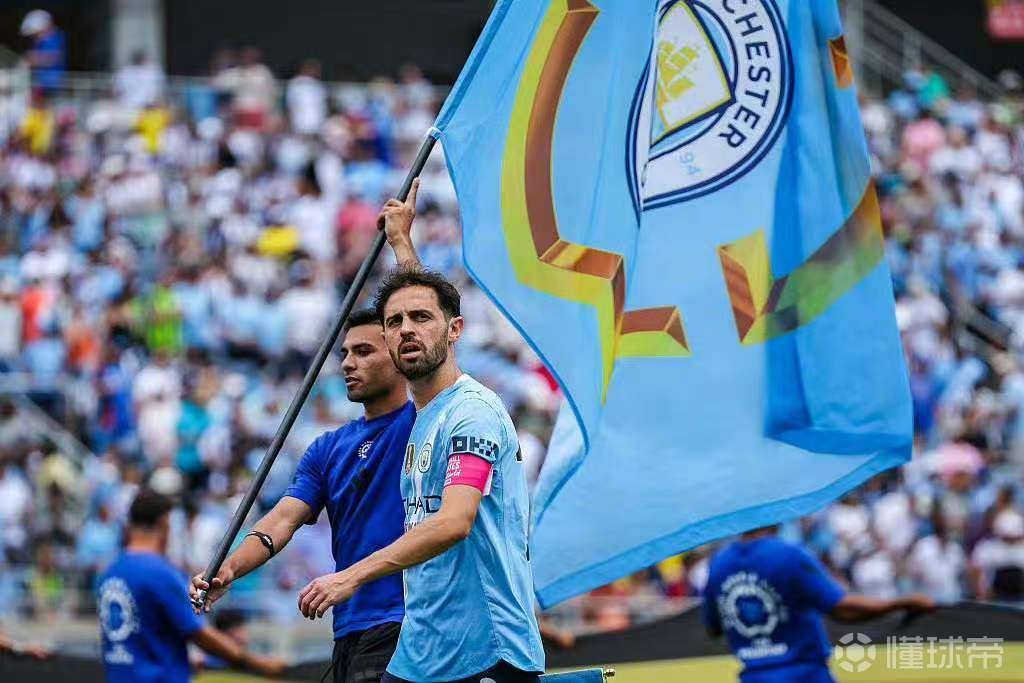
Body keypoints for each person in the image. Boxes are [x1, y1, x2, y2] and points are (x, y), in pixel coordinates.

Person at [295, 180, 545, 682]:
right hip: (423, 655)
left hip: (485, 651)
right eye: (394, 323)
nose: (407, 328)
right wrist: (401, 243)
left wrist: (352, 576)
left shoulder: (472, 412)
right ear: (387, 342)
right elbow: (418, 308)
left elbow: (454, 521)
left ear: (455, 331)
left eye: (422, 319)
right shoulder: (421, 415)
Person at [190, 308, 415, 683]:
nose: (348, 363)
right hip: (348, 628)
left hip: (407, 624)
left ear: (398, 354)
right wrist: (230, 568)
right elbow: (281, 520)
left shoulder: (425, 422)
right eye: (344, 353)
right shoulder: (327, 447)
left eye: (363, 351)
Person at [702, 527, 936, 683]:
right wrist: (898, 603)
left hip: (753, 676)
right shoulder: (788, 555)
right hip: (803, 675)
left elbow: (713, 627)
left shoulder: (719, 562)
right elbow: (841, 608)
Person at [99, 489, 284, 682]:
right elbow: (200, 635)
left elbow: (142, 634)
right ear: (163, 523)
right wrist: (259, 664)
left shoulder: (110, 572)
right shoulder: (160, 573)